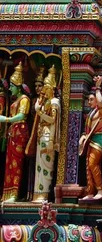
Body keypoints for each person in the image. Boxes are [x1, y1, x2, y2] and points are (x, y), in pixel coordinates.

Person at [0, 62, 30, 202]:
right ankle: (8, 193)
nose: (10, 88)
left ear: (18, 87)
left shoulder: (24, 99)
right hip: (13, 133)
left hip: (20, 132)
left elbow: (22, 116)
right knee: (9, 164)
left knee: (16, 164)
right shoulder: (16, 99)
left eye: (12, 86)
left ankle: (14, 193)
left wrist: (6, 119)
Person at [32, 65, 61, 202]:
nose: (43, 90)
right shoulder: (45, 102)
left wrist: (40, 112)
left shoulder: (54, 102)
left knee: (46, 165)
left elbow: (53, 120)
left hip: (48, 135)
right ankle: (37, 193)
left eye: (46, 88)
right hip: (41, 134)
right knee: (39, 165)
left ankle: (43, 194)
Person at [79, 75, 102, 201]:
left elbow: (101, 103)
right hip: (90, 140)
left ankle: (100, 189)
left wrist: (98, 88)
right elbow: (87, 131)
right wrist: (83, 137)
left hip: (98, 140)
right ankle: (90, 191)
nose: (89, 102)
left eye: (91, 99)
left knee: (92, 164)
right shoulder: (91, 114)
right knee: (88, 166)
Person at [25, 66, 46, 200]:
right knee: (31, 163)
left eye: (40, 85)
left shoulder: (47, 102)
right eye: (36, 85)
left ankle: (38, 193)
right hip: (32, 132)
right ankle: (28, 193)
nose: (38, 88)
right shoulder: (32, 100)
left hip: (43, 133)